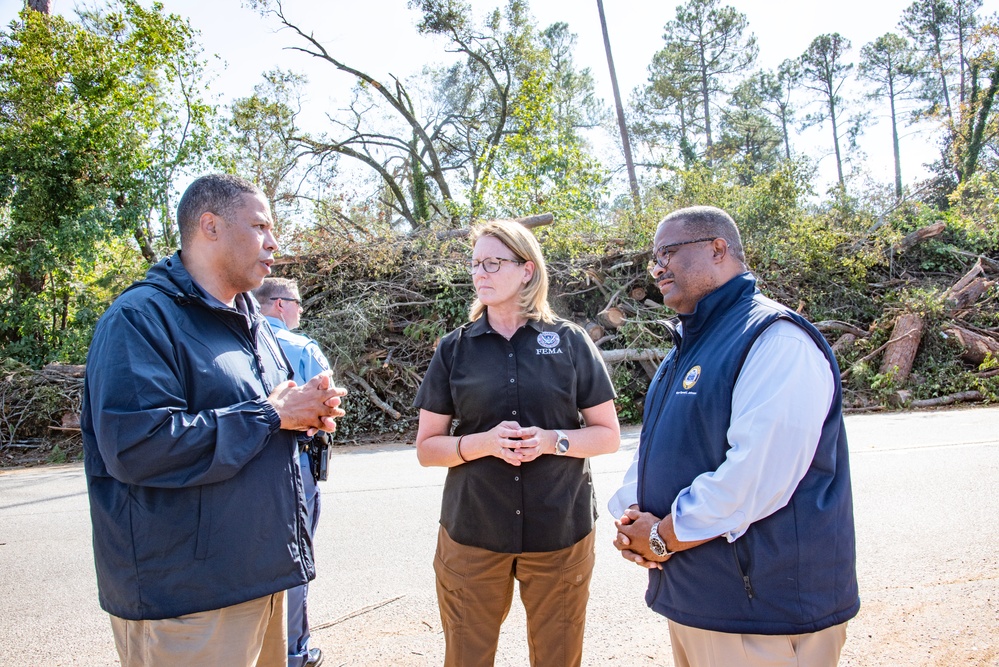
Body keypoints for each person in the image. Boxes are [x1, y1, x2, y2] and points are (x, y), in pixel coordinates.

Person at [81, 174, 347, 667]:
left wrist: (305, 414)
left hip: (263, 584)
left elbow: (268, 418)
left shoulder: (253, 322)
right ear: (210, 226)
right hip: (188, 602)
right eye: (261, 226)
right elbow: (139, 445)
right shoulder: (139, 320)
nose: (274, 243)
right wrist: (270, 414)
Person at [609, 205, 860, 667]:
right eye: (653, 258)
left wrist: (662, 536)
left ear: (718, 249)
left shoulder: (774, 338)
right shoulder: (688, 347)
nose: (657, 266)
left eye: (668, 251)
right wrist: (632, 516)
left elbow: (756, 476)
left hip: (762, 611)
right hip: (698, 599)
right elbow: (657, 450)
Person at [413, 219, 621, 667]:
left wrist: (552, 440)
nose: (480, 273)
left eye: (493, 262)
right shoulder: (454, 349)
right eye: (475, 264)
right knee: (467, 657)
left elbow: (608, 436)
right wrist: (481, 443)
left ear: (527, 270)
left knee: (558, 658)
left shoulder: (569, 341)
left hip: (559, 529)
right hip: (473, 531)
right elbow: (427, 447)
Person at [253, 277, 331, 667]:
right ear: (280, 304)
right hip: (295, 461)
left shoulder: (235, 341)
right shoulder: (300, 347)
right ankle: (293, 651)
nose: (301, 309)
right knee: (294, 555)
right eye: (297, 302)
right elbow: (327, 406)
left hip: (242, 461)